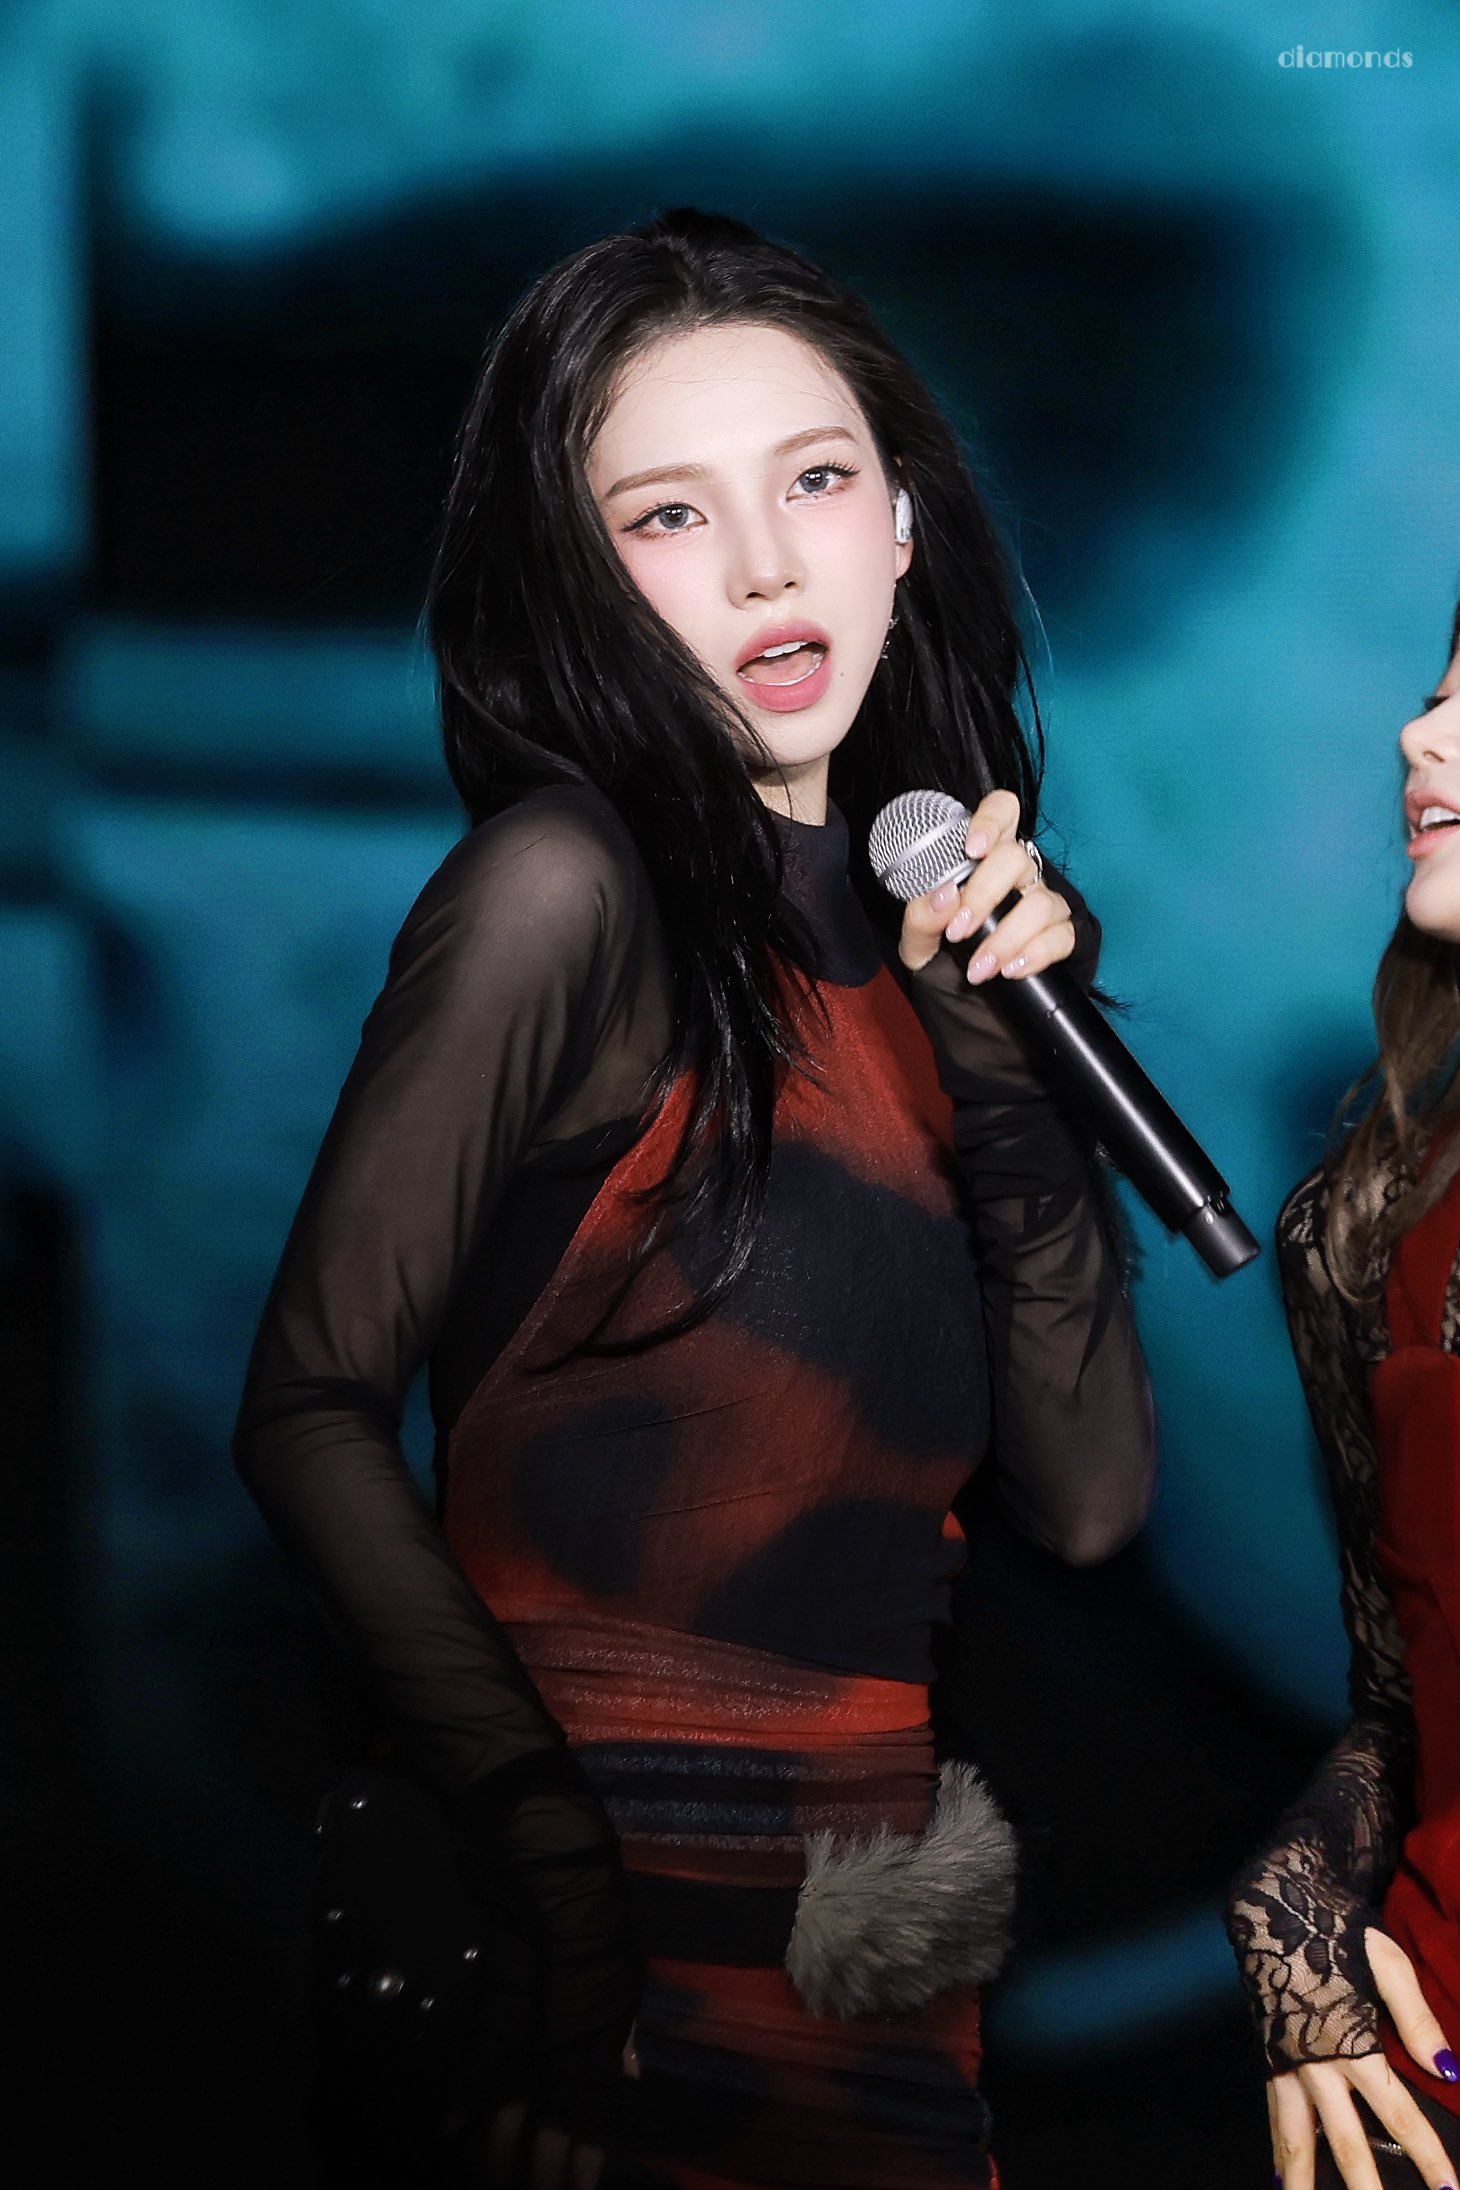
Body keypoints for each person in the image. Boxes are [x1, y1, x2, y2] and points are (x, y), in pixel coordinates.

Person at [234, 207, 1155, 2190]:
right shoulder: (560, 891)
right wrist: (550, 1870)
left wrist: (1007, 1069)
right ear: (580, 582)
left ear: (900, 521)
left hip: (878, 1983)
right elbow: (304, 1407)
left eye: (813, 482)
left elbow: (1087, 1504)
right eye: (667, 515)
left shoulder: (943, 944)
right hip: (589, 1974)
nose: (762, 567)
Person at [1227, 598, 1460, 2190]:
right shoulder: (1365, 1228)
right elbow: (1404, 1692)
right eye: (1436, 690)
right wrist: (1300, 1896)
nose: (1417, 732)